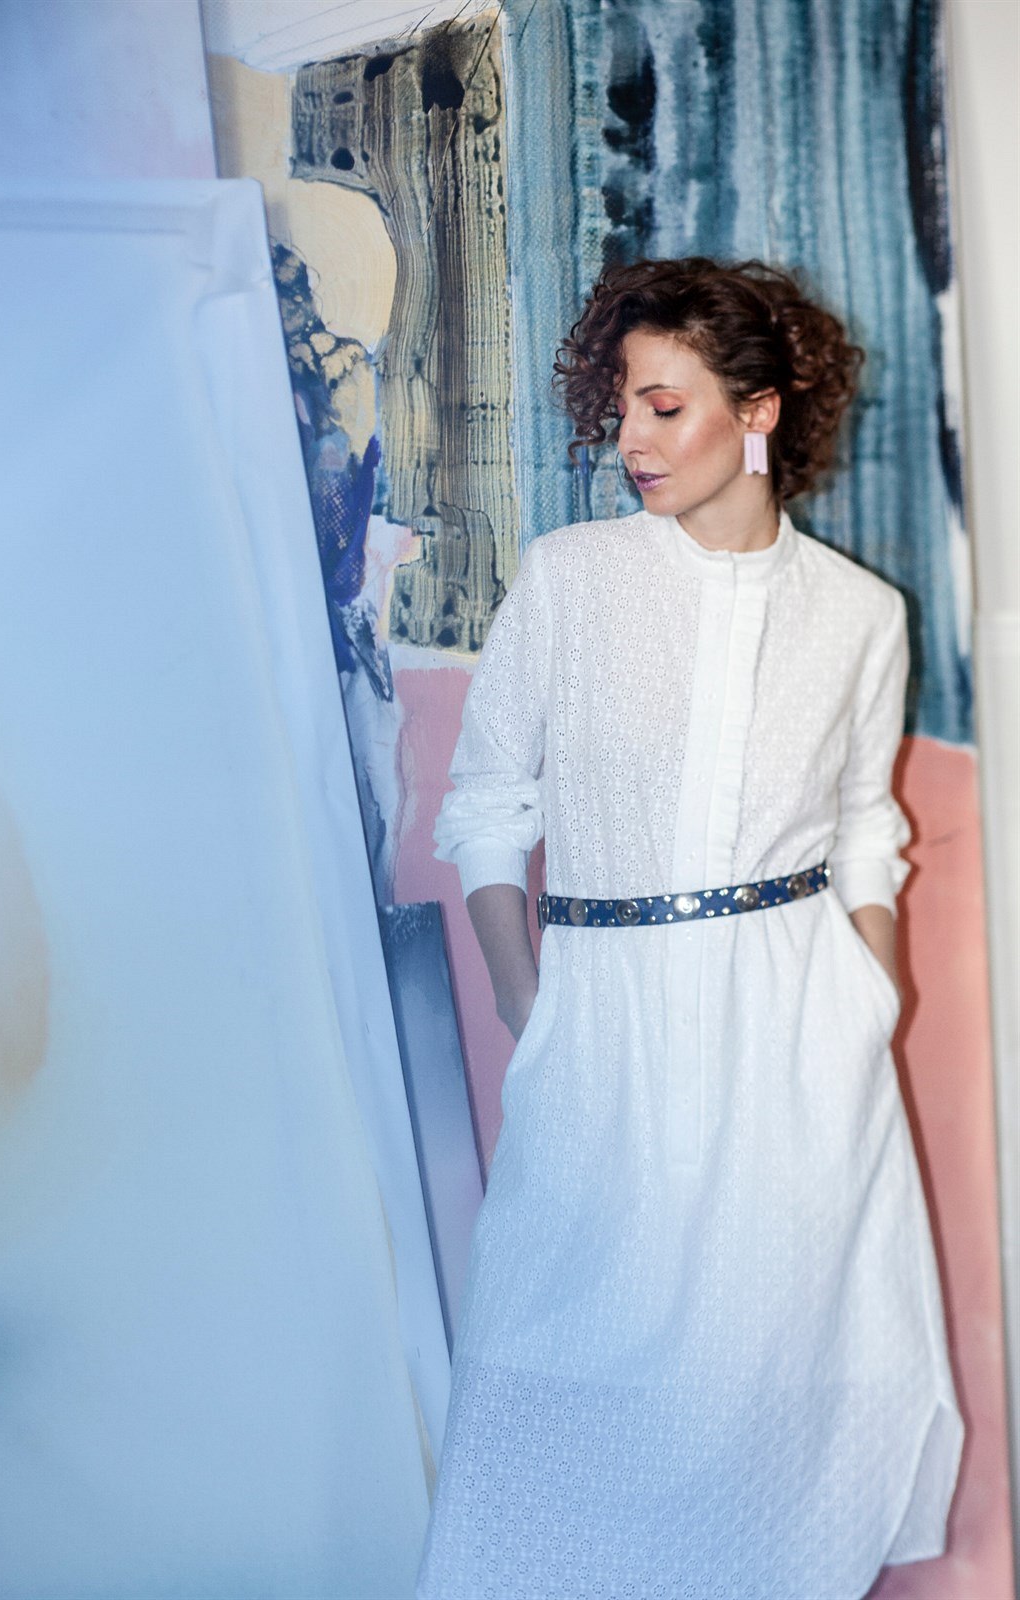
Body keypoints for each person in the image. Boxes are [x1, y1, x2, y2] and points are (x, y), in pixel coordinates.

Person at [415, 257, 963, 1599]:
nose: (633, 441)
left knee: (770, 1356)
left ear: (758, 413)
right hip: (601, 1010)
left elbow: (864, 830)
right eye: (622, 409)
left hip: (795, 1019)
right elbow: (487, 803)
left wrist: (872, 997)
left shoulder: (859, 615)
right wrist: (525, 993)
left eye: (665, 408)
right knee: (562, 1345)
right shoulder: (572, 579)